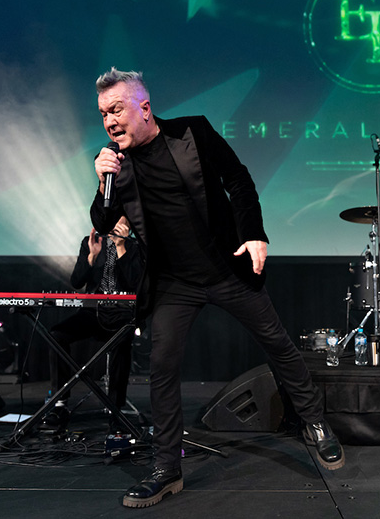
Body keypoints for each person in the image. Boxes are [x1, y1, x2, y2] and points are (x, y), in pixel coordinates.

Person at [89, 68, 344, 508]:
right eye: (103, 114)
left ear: (144, 108)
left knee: (278, 344)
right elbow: (103, 221)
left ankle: (316, 423)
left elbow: (238, 180)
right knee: (163, 367)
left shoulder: (193, 132)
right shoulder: (115, 164)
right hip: (173, 282)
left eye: (116, 110)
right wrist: (101, 182)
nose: (110, 122)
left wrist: (254, 232)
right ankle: (166, 469)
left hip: (226, 269)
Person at [40, 217, 142, 434]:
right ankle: (59, 404)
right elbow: (77, 282)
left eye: (121, 217)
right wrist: (91, 257)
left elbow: (136, 283)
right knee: (56, 335)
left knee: (121, 341)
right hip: (92, 313)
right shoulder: (92, 241)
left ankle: (116, 409)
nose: (116, 222)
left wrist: (121, 247)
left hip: (121, 315)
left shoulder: (136, 246)